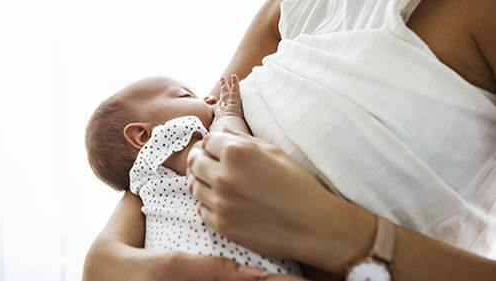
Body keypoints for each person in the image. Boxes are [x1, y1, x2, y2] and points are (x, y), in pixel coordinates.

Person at [83, 0, 496, 280]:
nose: (202, 97)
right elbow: (178, 155)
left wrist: (341, 232)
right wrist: (107, 259)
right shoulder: (293, 7)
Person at [85, 74, 301, 275]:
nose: (209, 98)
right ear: (142, 135)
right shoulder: (165, 140)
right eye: (185, 95)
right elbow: (226, 153)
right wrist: (229, 113)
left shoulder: (148, 181)